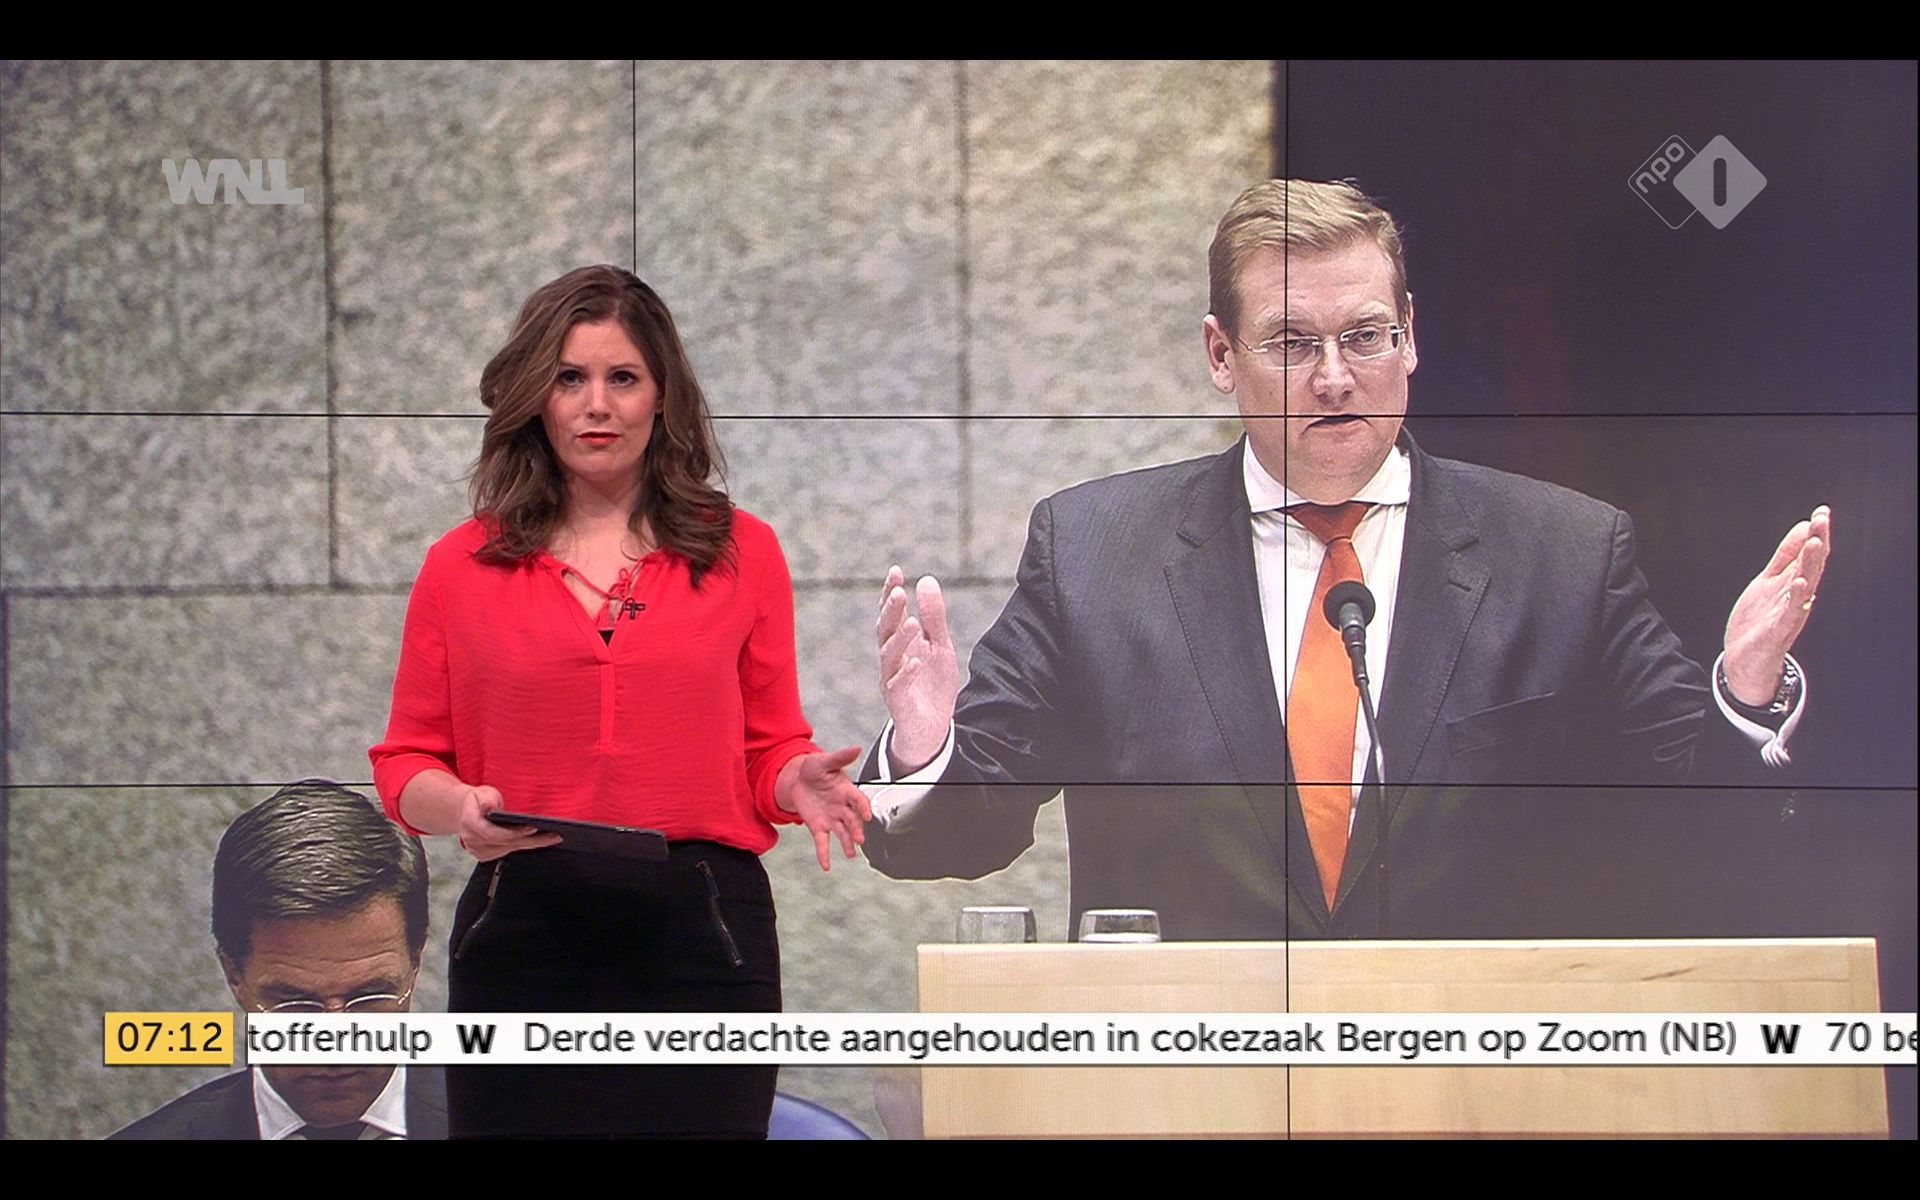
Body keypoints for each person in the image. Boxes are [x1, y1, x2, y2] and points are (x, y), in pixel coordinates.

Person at [863, 179, 1832, 942]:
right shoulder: (1094, 551)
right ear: (1220, 354)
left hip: (1470, 1075)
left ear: (1410, 339)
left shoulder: (1563, 551)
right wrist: (923, 749)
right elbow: (962, 831)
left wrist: (1743, 693)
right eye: (1292, 341)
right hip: (1194, 1076)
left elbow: (1694, 814)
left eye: (1366, 336)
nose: (1335, 378)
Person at [369, 264, 870, 1139]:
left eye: (623, 378)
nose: (596, 405)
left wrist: (796, 782)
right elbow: (406, 764)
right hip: (522, 927)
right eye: (570, 378)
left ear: (662, 395)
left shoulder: (742, 550)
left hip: (704, 930)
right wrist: (461, 808)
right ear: (536, 396)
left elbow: (768, 746)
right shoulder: (460, 566)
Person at [111, 779, 446, 1140]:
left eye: (368, 997)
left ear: (415, 963)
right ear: (234, 975)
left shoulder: (493, 1119)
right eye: (296, 1003)